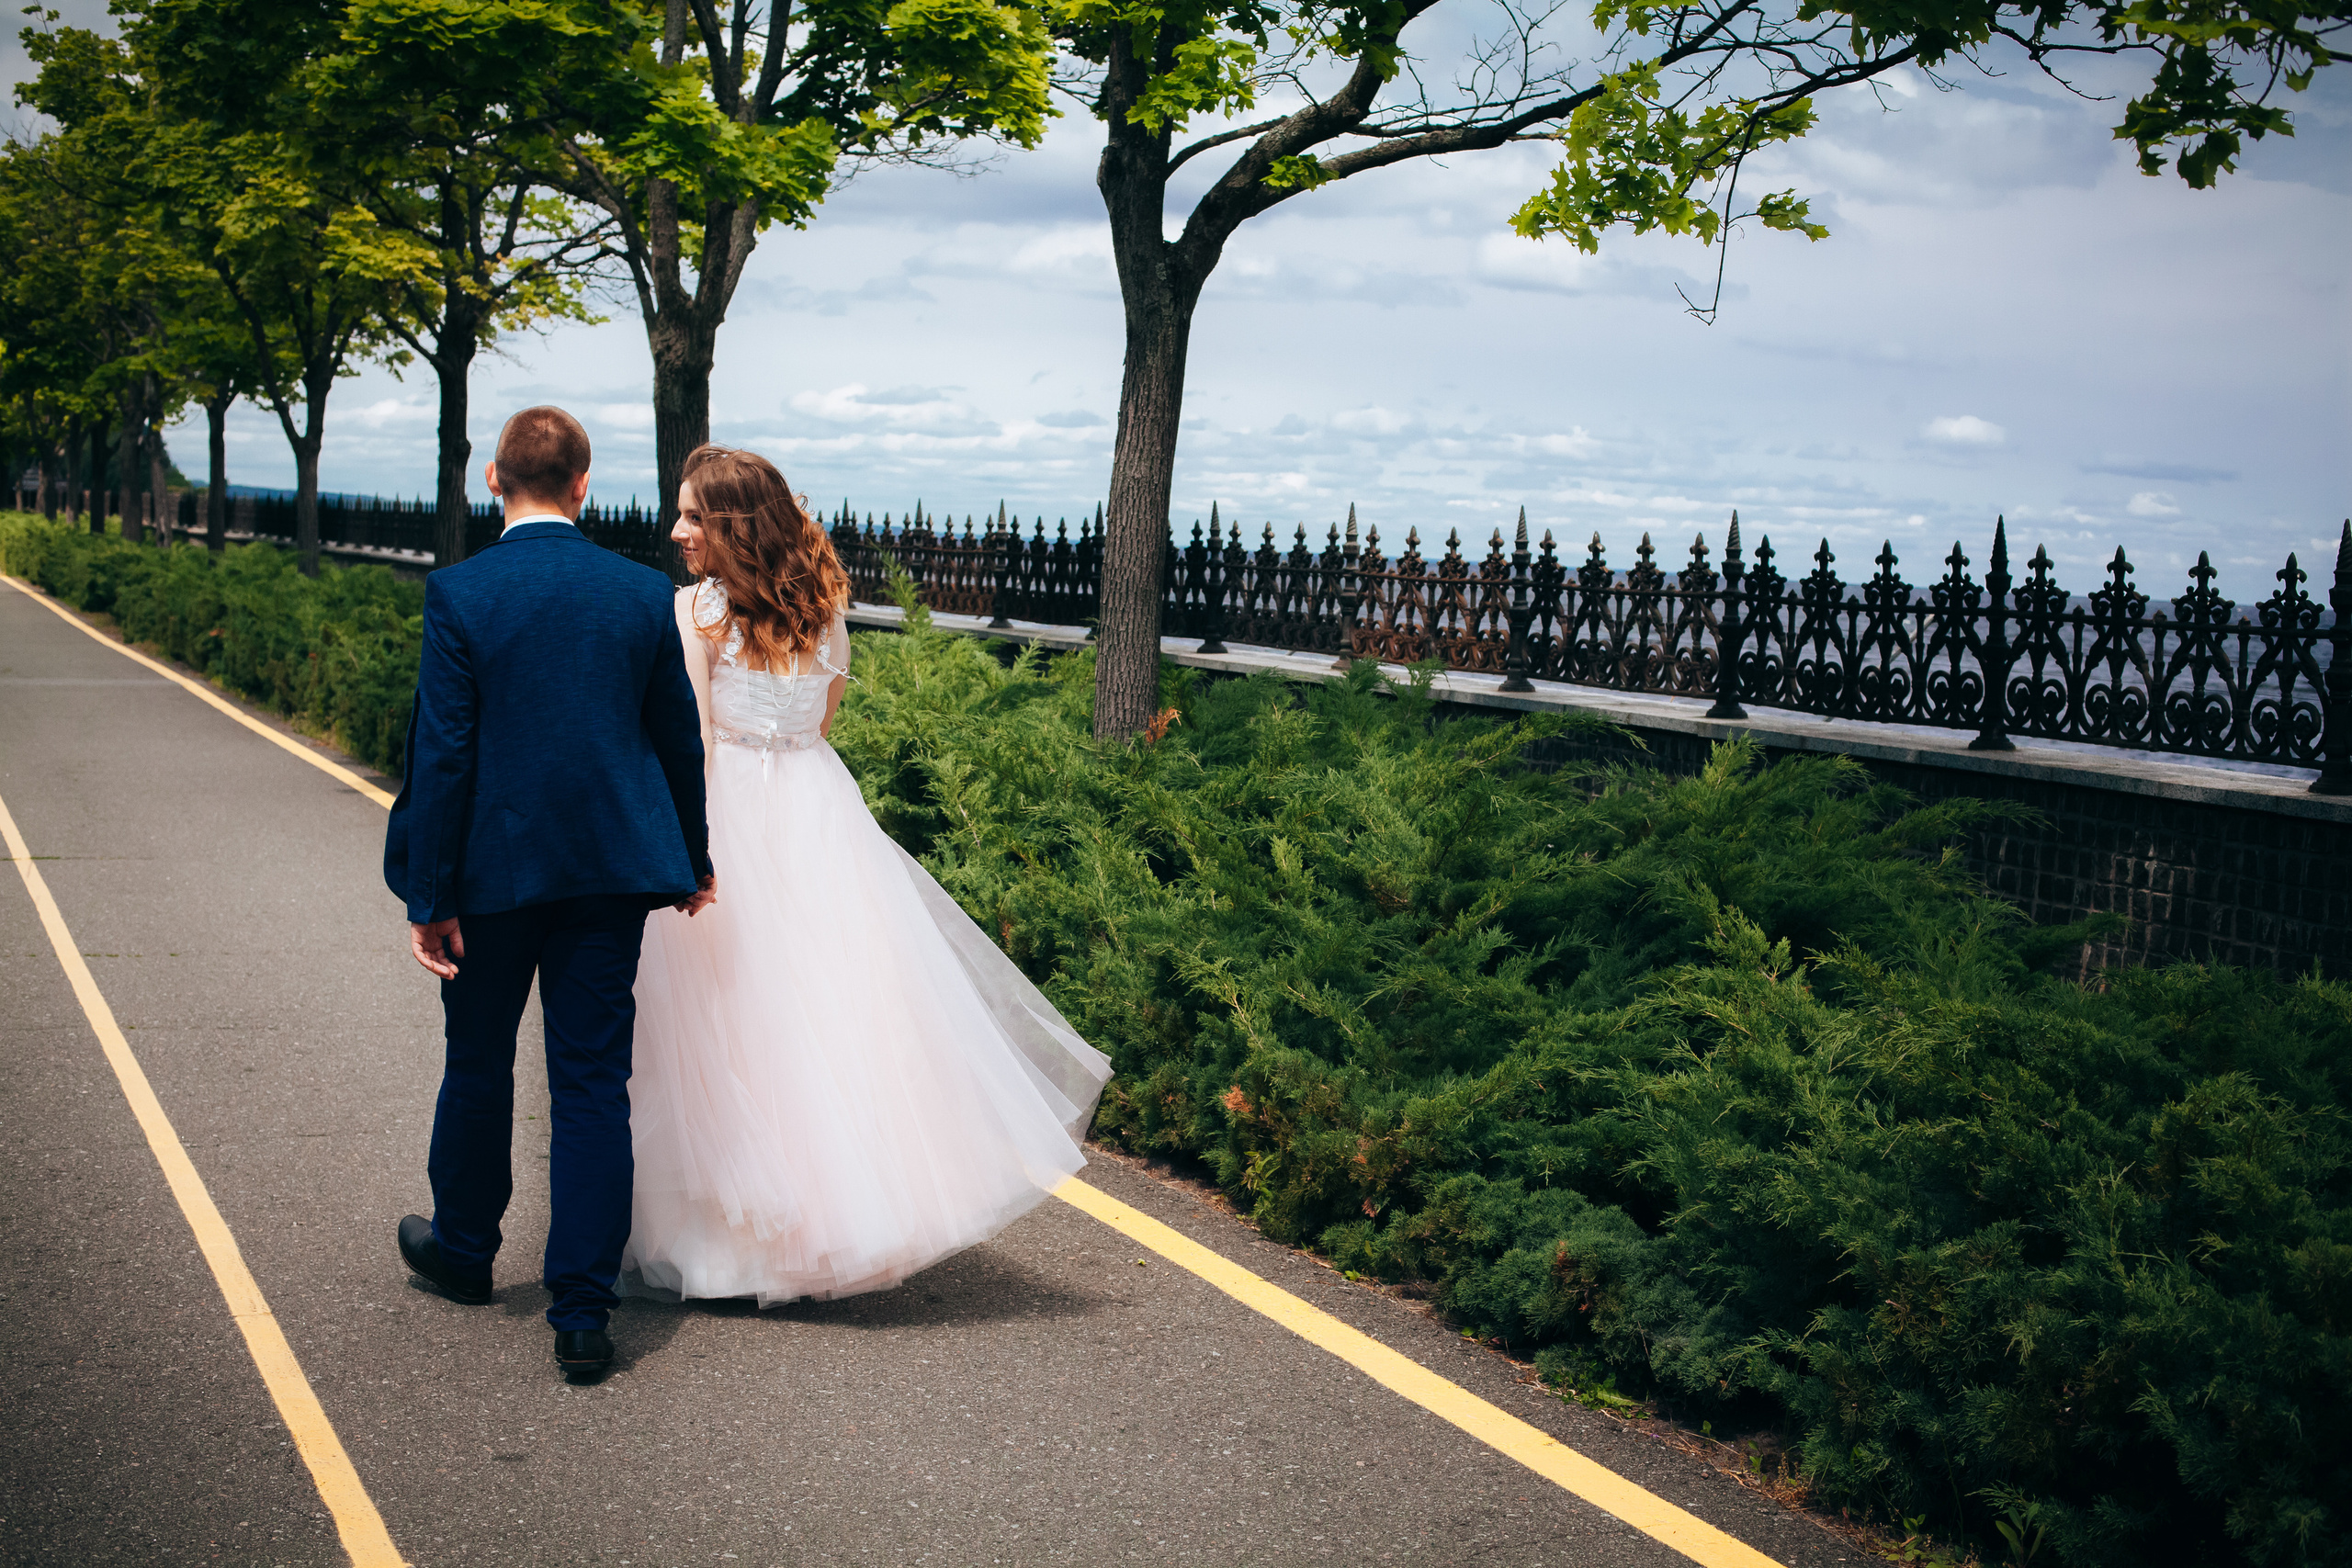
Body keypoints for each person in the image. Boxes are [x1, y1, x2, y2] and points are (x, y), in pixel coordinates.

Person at [623, 445, 1111, 1305]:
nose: (678, 530)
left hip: (728, 807)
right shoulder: (824, 610)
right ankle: (830, 1224)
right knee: (824, 1015)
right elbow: (822, 722)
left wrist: (688, 849)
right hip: (817, 809)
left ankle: (726, 1247)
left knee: (726, 1023)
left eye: (695, 515)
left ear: (735, 525)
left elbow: (692, 740)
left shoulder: (692, 612)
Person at [383, 406, 715, 1383]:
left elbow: (443, 754)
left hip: (489, 878)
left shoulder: (460, 592)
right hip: (608, 875)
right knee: (592, 1082)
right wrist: (692, 858)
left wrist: (429, 894)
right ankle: (581, 1312)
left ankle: (464, 1250)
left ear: (493, 480)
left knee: (478, 1061)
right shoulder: (639, 592)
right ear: (583, 484)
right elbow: (675, 736)